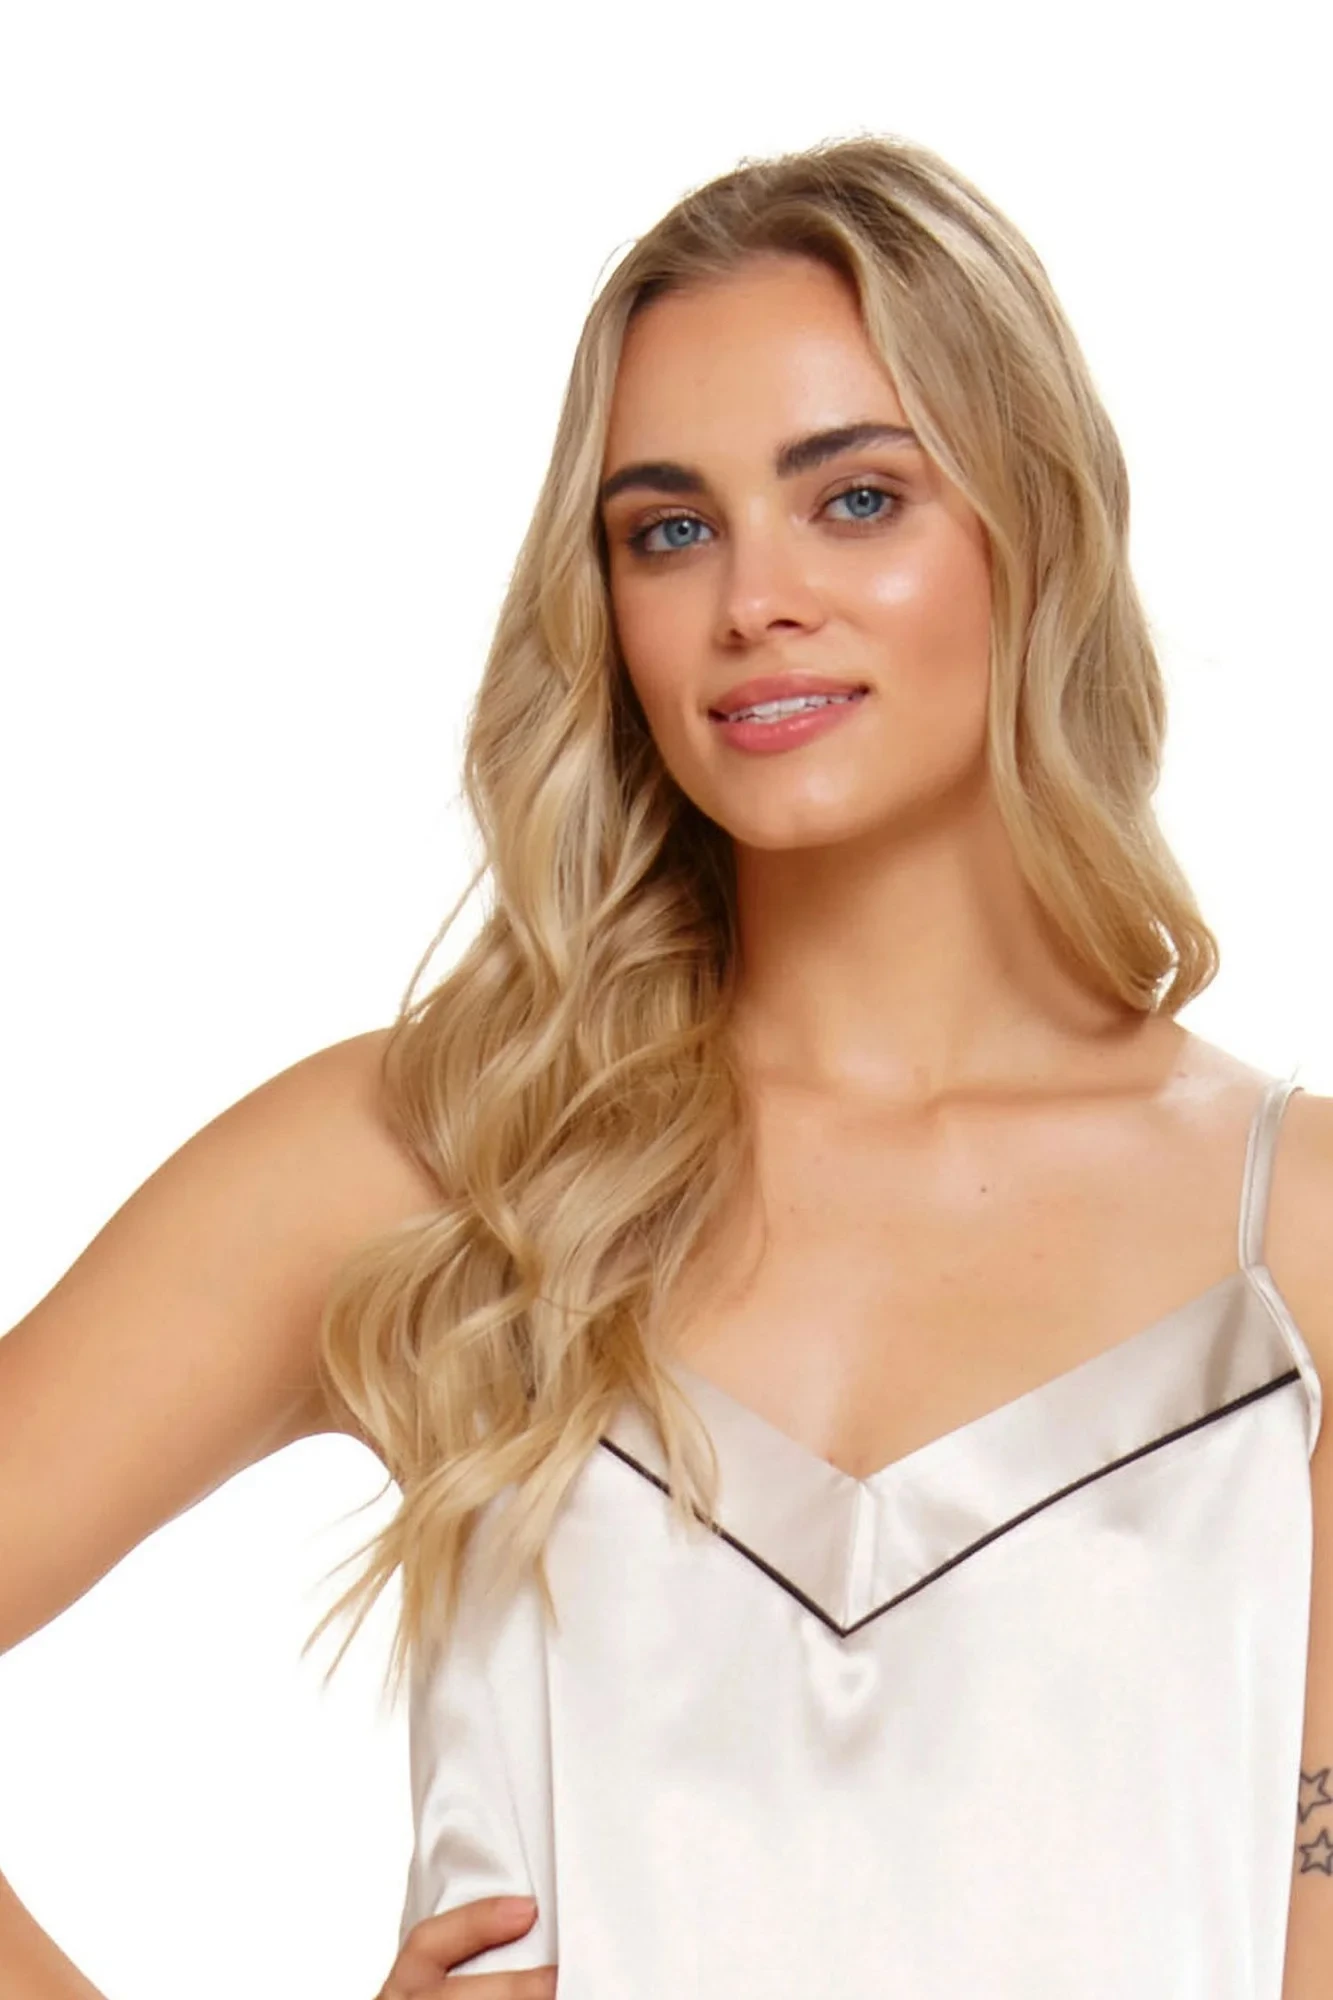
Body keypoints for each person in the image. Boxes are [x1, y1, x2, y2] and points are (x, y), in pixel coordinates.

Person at [3, 130, 1332, 1998]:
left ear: (1036, 529)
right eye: (670, 528)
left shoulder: (1295, 1240)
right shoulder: (434, 1165)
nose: (752, 599)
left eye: (855, 498)